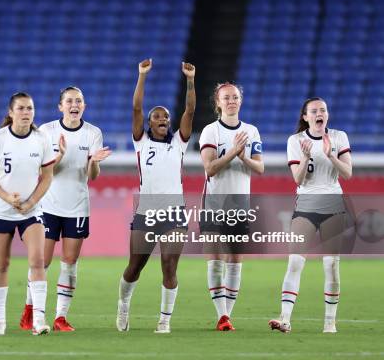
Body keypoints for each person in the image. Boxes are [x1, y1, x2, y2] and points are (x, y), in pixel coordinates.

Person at [19, 86, 111, 332]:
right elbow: (41, 171)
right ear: (60, 106)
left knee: (70, 262)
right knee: (42, 261)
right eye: (69, 101)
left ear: (84, 106)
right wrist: (59, 155)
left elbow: (92, 175)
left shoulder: (93, 133)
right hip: (48, 205)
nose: (74, 104)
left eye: (79, 101)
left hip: (77, 207)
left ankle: (60, 317)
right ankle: (30, 310)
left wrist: (93, 161)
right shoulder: (47, 131)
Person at [116, 58, 196, 334]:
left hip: (174, 214)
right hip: (146, 213)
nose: (163, 119)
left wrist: (190, 80)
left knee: (169, 267)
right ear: (149, 123)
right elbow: (136, 106)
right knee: (134, 268)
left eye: (166, 117)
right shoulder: (142, 142)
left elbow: (190, 109)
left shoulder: (179, 144)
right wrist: (142, 75)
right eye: (157, 116)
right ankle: (124, 304)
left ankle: (164, 320)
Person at [269, 97, 352, 334]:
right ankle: (285, 319)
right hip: (305, 205)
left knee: (331, 265)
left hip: (333, 206)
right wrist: (306, 157)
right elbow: (298, 179)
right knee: (295, 261)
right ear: (305, 117)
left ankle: (329, 323)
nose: (320, 113)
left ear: (327, 115)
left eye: (323, 110)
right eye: (314, 111)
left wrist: (331, 155)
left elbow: (347, 173)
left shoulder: (338, 137)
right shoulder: (295, 141)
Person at [0, 92, 56, 336]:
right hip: (2, 210)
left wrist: (31, 200)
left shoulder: (41, 139)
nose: (26, 113)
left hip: (32, 211)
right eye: (21, 108)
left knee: (37, 261)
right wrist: (6, 198)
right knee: (1, 263)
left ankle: (38, 321)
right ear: (11, 112)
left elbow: (47, 177)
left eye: (30, 108)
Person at [199, 81, 264, 331]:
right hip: (215, 203)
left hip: (239, 204)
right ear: (218, 102)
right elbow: (210, 168)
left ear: (240, 100)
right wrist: (232, 153)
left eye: (235, 97)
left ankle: (228, 315)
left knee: (235, 261)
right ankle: (222, 316)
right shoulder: (210, 131)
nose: (231, 101)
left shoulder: (252, 131)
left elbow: (259, 168)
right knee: (215, 260)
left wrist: (243, 155)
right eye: (226, 97)